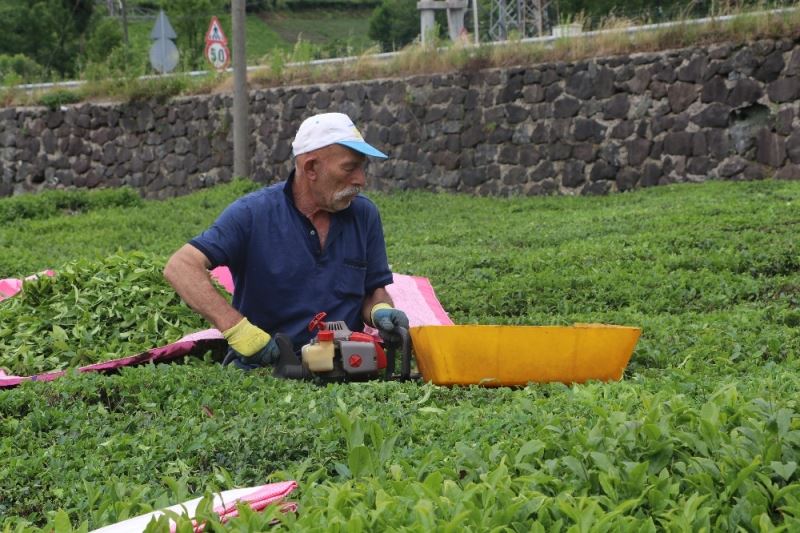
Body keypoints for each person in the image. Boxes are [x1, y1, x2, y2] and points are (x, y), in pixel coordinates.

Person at [164, 112, 409, 370]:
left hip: (346, 368)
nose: (361, 179)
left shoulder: (364, 214)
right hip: (267, 369)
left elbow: (374, 290)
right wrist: (237, 330)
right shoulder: (252, 214)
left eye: (362, 167)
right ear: (311, 168)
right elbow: (180, 267)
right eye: (350, 168)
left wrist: (379, 310)